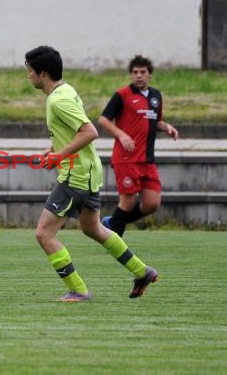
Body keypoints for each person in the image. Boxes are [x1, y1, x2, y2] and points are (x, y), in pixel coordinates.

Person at [25, 45, 158, 302]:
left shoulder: (59, 99)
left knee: (44, 234)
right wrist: (53, 149)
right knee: (93, 228)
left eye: (30, 71)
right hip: (88, 172)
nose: (28, 76)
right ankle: (142, 271)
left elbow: (90, 132)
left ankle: (78, 290)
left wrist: (60, 156)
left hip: (75, 176)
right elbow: (73, 130)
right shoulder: (65, 90)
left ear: (42, 72)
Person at [99, 55, 179, 237]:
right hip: (126, 158)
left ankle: (112, 222)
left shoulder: (156, 96)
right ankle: (115, 242)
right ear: (131, 74)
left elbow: (155, 120)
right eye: (135, 72)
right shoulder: (122, 95)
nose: (139, 75)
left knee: (152, 203)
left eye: (143, 72)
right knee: (127, 201)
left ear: (149, 74)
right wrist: (121, 134)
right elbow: (103, 119)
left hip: (147, 159)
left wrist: (167, 127)